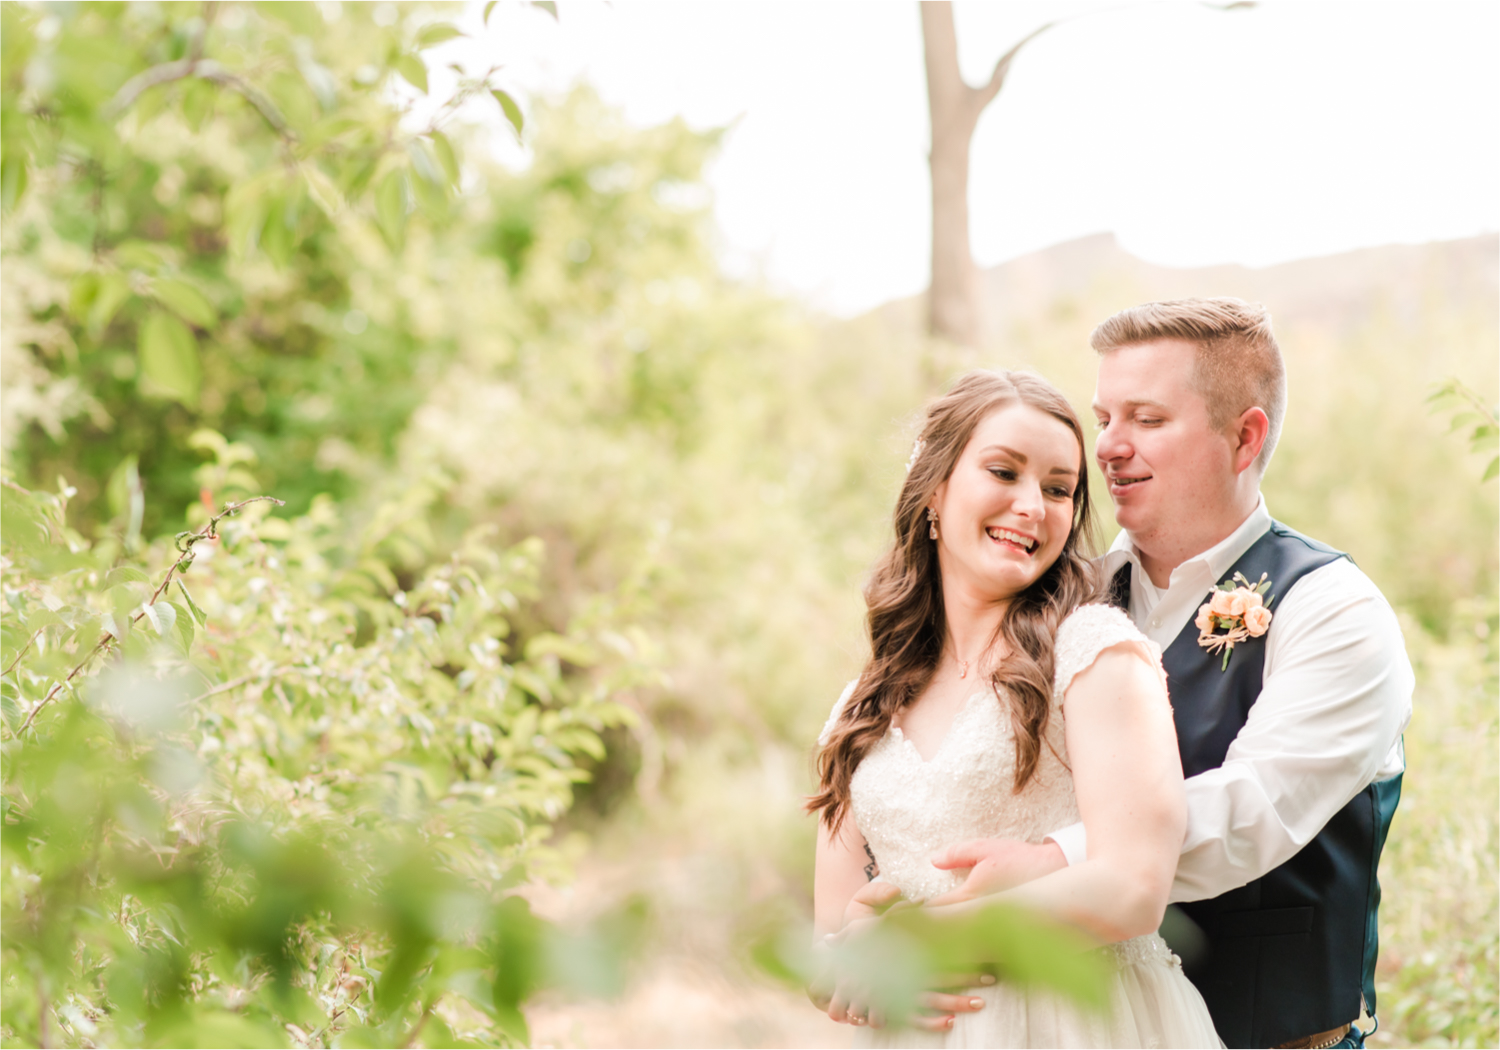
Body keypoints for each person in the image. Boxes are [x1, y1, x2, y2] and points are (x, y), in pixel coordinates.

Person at [926, 299, 1412, 1049]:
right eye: (1104, 419)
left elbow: (1252, 810)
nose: (1108, 447)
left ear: (1244, 437)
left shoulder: (1333, 609)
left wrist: (1057, 860)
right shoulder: (1061, 599)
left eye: (1146, 420)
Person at [808, 369, 1223, 1047]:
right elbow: (829, 938)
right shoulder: (865, 703)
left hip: (1079, 1021)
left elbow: (1133, 887)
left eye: (1058, 489)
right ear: (934, 491)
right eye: (1004, 472)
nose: (1032, 506)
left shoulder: (1096, 651)